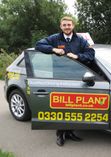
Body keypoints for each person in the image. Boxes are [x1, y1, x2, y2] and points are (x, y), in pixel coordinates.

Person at [35, 16, 95, 146]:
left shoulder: (80, 40)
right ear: (61, 27)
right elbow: (38, 45)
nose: (67, 27)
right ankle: (60, 135)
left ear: (73, 26)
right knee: (61, 108)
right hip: (60, 78)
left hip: (77, 78)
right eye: (64, 25)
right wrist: (53, 49)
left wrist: (77, 56)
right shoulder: (55, 38)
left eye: (69, 25)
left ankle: (70, 132)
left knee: (74, 107)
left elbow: (91, 54)